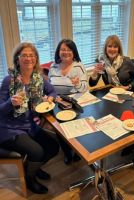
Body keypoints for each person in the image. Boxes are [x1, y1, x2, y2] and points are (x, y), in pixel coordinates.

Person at [0, 42, 59, 194]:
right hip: (9, 129)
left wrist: (50, 99)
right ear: (17, 59)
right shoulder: (9, 80)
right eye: (24, 55)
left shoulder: (38, 79)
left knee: (53, 147)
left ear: (36, 59)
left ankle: (34, 167)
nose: (28, 58)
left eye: (31, 55)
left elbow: (53, 92)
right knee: (37, 152)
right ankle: (29, 179)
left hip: (29, 125)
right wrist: (10, 103)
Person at [49, 39, 87, 164]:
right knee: (59, 130)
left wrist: (77, 84)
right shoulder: (53, 66)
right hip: (57, 102)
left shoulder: (78, 66)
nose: (65, 52)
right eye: (63, 49)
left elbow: (85, 88)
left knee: (75, 129)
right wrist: (51, 96)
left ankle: (76, 151)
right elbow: (49, 86)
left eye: (69, 49)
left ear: (74, 52)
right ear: (58, 52)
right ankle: (67, 152)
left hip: (74, 102)